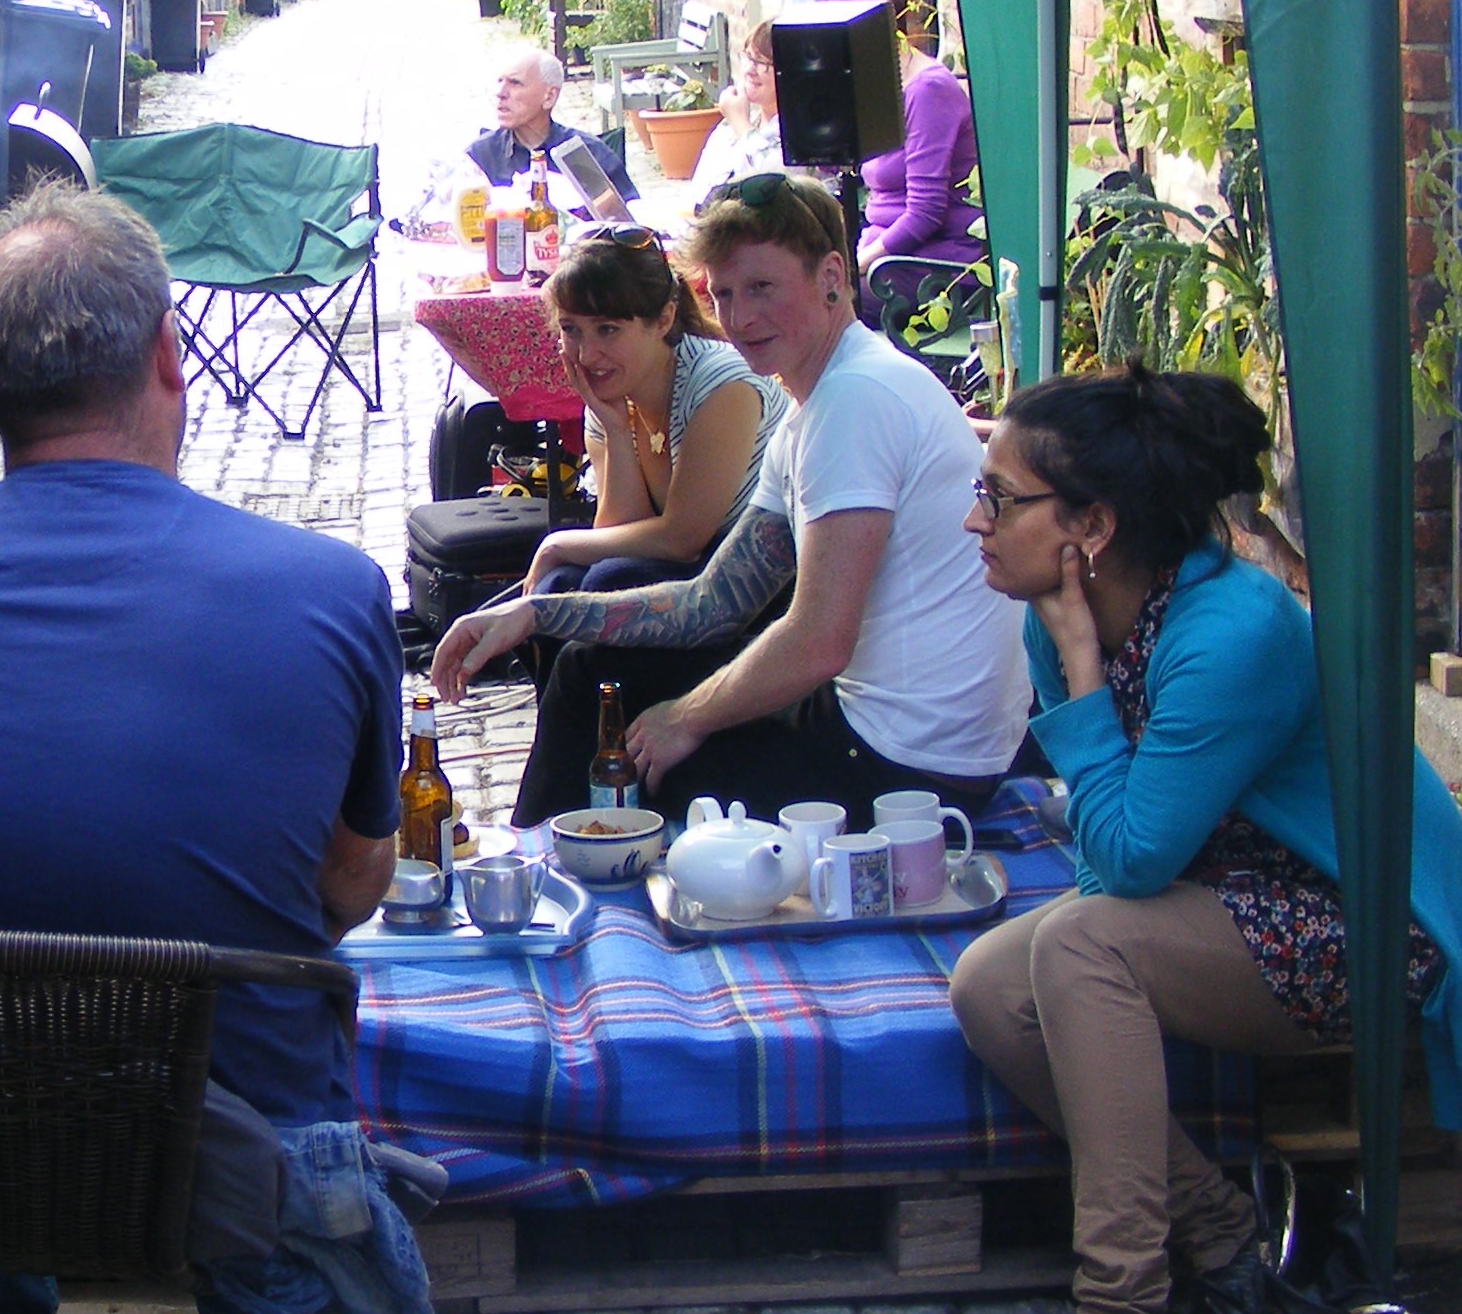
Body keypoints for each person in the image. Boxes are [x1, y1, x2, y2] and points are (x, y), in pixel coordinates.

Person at [0, 184, 405, 1314]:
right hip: (222, 1137)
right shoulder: (330, 588)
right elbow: (354, 887)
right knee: (266, 994)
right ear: (165, 354)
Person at [940, 369, 1462, 1314]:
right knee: (992, 984)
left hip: (1361, 918)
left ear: (1091, 525)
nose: (975, 519)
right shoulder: (1053, 619)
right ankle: (1228, 1235)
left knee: (1086, 949)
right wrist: (1081, 663)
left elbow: (1134, 862)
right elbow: (1114, 862)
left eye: (1000, 497)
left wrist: (1089, 679)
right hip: (1226, 892)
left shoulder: (1232, 629)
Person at [434, 172, 1028, 828]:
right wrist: (535, 614)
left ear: (833, 275)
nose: (740, 318)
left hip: (907, 768)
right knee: (593, 671)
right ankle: (553, 861)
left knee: (624, 730)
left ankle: (550, 872)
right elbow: (713, 602)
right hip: (886, 728)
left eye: (762, 288)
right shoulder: (820, 401)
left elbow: (817, 643)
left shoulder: (858, 399)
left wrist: (684, 718)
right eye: (722, 294)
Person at [518, 230, 782, 598]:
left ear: (662, 320)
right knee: (565, 584)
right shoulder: (611, 391)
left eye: (607, 329)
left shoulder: (719, 383)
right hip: (698, 565)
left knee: (598, 584)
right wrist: (616, 431)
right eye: (571, 330)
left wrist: (555, 546)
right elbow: (621, 532)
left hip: (767, 573)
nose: (586, 355)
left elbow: (681, 540)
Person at [824, 0, 984, 321]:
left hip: (930, 265)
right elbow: (835, 169)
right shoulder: (876, 84)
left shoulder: (928, 91)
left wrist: (857, 266)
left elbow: (925, 212)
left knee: (814, 307)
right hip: (881, 253)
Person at [460, 44, 637, 216]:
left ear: (549, 96)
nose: (500, 92)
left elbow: (630, 228)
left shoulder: (588, 155)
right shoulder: (481, 155)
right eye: (500, 81)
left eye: (515, 83)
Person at [682, 22, 789, 207]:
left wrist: (740, 122)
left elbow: (775, 184)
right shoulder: (734, 127)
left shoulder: (797, 134)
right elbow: (698, 194)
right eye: (748, 57)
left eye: (762, 63)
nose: (749, 70)